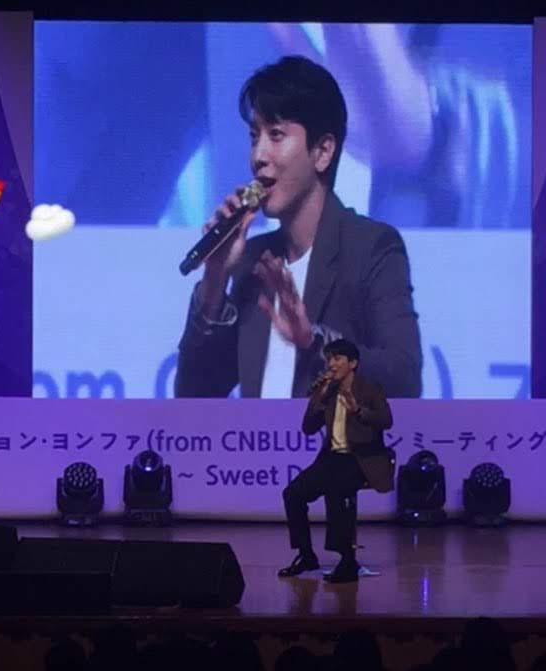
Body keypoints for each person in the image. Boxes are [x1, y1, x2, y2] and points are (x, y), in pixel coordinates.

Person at [175, 55, 422, 399]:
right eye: (254, 136)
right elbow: (193, 396)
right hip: (257, 437)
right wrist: (216, 278)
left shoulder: (371, 247)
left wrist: (314, 342)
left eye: (276, 135)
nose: (258, 156)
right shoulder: (253, 260)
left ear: (322, 152)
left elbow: (404, 379)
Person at [279, 339, 394, 583]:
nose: (331, 364)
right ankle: (306, 554)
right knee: (293, 493)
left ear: (353, 363)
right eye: (329, 359)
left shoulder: (369, 388)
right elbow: (308, 428)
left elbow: (385, 420)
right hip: (332, 457)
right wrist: (320, 399)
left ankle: (347, 560)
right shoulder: (327, 390)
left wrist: (358, 410)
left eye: (338, 358)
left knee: (336, 489)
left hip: (362, 457)